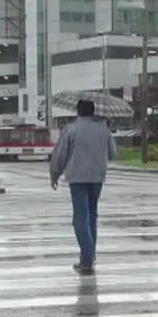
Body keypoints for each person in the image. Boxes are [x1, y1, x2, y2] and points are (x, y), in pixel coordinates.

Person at [49, 99, 119, 275]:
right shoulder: (103, 129)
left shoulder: (71, 129)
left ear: (78, 111)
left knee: (80, 218)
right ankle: (89, 256)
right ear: (93, 111)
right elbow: (113, 153)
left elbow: (61, 154)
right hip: (97, 177)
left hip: (77, 177)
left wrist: (54, 174)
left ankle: (87, 258)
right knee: (92, 216)